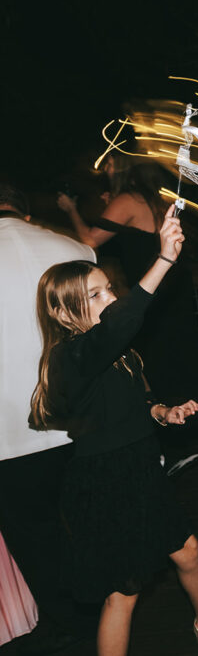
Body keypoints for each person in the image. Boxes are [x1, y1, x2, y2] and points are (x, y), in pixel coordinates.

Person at [28, 204, 198, 656]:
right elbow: (119, 324)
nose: (109, 298)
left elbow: (139, 404)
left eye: (108, 289)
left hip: (141, 471)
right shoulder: (70, 357)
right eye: (95, 295)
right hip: (105, 484)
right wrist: (164, 259)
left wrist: (163, 413)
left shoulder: (119, 354)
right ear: (61, 309)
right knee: (124, 592)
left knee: (189, 553)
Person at [0, 182, 97, 653]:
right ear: (23, 206)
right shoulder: (70, 248)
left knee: (31, 533)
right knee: (85, 520)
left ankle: (64, 623)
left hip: (6, 432)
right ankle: (103, 608)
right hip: (75, 416)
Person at [57, 156, 198, 427]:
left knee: (159, 361)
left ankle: (173, 431)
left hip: (152, 293)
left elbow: (88, 242)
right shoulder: (153, 200)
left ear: (126, 167)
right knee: (182, 356)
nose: (105, 168)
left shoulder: (127, 200)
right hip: (172, 289)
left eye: (110, 163)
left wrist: (70, 209)